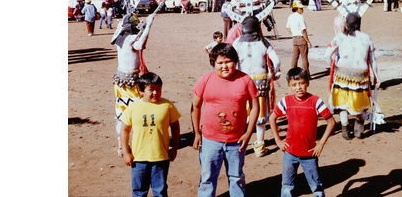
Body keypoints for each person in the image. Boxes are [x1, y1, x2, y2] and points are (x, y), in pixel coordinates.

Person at [191, 43, 259, 197]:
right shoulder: (206, 79)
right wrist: (196, 133)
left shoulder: (245, 80)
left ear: (235, 61)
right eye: (220, 63)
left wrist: (248, 133)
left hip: (237, 141)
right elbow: (195, 106)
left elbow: (255, 107)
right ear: (213, 64)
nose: (225, 66)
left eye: (228, 61)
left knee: (236, 177)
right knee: (207, 178)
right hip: (209, 141)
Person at [269, 67, 335, 197]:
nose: (298, 87)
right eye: (294, 85)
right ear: (289, 86)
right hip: (289, 153)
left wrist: (321, 143)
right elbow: (272, 118)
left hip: (309, 154)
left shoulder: (316, 101)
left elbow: (331, 122)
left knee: (316, 186)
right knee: (287, 186)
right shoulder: (286, 101)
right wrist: (278, 140)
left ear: (308, 83)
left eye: (301, 83)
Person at [120, 72, 181, 197]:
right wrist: (126, 152)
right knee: (139, 191)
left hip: (161, 156)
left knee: (160, 191)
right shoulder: (133, 107)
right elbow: (125, 130)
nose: (155, 93)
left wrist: (174, 148)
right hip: (138, 158)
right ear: (141, 91)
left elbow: (175, 126)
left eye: (158, 89)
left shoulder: (167, 105)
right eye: (151, 90)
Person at [324, 13, 380, 140]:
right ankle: (358, 129)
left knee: (342, 104)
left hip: (342, 75)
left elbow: (327, 56)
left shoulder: (339, 37)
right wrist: (377, 77)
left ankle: (345, 129)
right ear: (359, 24)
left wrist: (336, 68)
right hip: (361, 76)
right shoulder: (367, 38)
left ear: (346, 24)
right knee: (362, 104)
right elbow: (373, 61)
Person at [232, 16, 281, 158]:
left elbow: (232, 61)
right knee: (260, 116)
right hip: (261, 82)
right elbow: (276, 61)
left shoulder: (237, 42)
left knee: (242, 114)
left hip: (242, 80)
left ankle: (239, 146)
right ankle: (259, 148)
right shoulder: (264, 42)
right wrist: (273, 73)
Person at [111, 13, 156, 156]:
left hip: (121, 82)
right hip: (131, 83)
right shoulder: (131, 39)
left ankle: (121, 146)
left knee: (121, 114)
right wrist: (148, 25)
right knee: (138, 112)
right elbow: (140, 44)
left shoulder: (119, 36)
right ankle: (136, 144)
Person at [286, 1, 311, 75]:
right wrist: (308, 42)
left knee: (294, 57)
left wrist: (294, 33)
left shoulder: (290, 16)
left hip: (295, 39)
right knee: (304, 58)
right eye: (300, 8)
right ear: (297, 9)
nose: (302, 9)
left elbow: (287, 27)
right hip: (301, 39)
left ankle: (292, 73)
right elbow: (303, 30)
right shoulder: (300, 17)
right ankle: (306, 74)